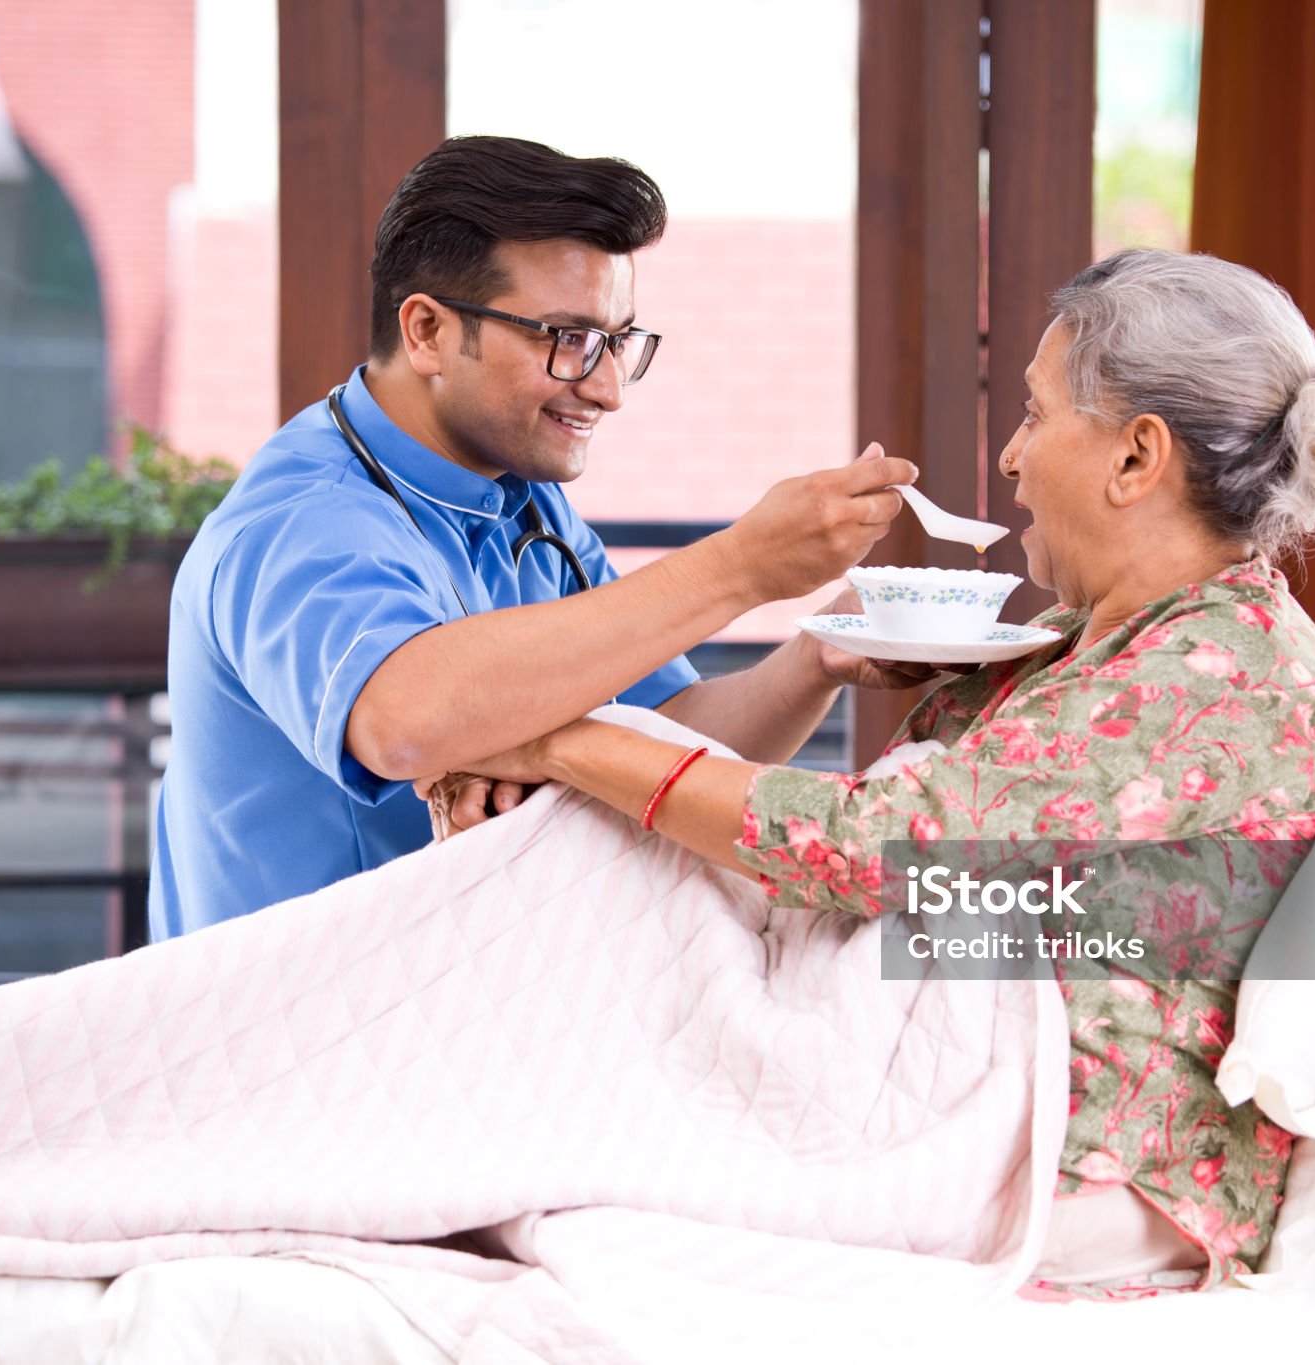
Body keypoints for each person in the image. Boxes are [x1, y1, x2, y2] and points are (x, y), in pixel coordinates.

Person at [444, 247, 1315, 1296]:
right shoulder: (1112, 642)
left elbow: (870, 849)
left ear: (1135, 458)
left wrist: (555, 742)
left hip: (1083, 1166)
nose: (1006, 459)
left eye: (1036, 417)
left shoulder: (1211, 674)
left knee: (545, 1068)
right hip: (998, 1103)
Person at [150, 136, 927, 941]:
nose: (609, 388)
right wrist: (743, 566)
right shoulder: (300, 520)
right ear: (426, 332)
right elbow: (404, 717)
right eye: (568, 339)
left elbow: (674, 731)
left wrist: (816, 657)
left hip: (472, 1000)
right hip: (297, 1030)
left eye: (619, 341)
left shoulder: (521, 502)